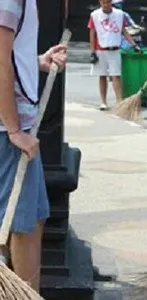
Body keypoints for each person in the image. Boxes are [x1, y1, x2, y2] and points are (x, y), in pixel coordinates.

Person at [0, 0, 68, 292]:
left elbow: (11, 55)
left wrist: (38, 61)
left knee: (35, 217)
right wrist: (14, 129)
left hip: (18, 125)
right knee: (22, 225)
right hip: (8, 131)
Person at [88, 0, 141, 111]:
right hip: (100, 48)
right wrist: (92, 52)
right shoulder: (95, 15)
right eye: (103, 3)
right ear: (100, 2)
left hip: (115, 48)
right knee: (102, 75)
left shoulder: (119, 14)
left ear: (111, 2)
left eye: (107, 2)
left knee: (116, 75)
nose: (105, 5)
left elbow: (124, 31)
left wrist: (134, 45)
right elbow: (92, 34)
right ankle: (103, 102)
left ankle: (119, 102)